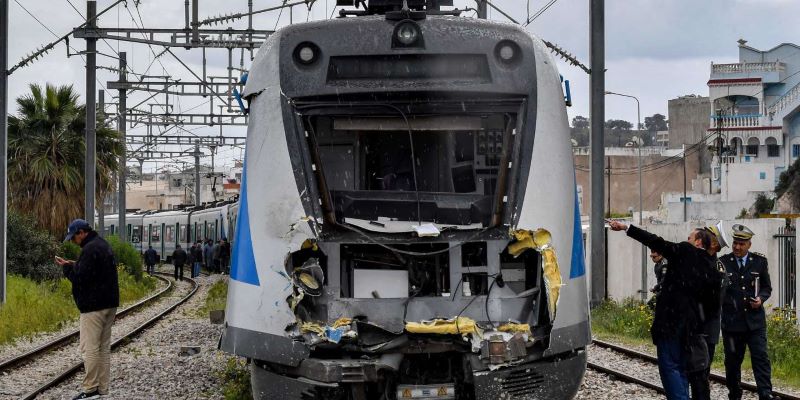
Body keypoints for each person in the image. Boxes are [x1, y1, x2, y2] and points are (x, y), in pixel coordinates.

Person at [609, 221, 717, 400]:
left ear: (698, 242)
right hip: (691, 329)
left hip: (671, 323)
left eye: (689, 237)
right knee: (681, 368)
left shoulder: (686, 250)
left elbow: (656, 242)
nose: (686, 240)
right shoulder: (710, 265)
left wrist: (626, 227)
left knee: (670, 368)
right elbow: (711, 303)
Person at [55, 219, 119, 400]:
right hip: (109, 304)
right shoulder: (102, 245)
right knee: (103, 348)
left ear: (82, 232)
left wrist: (67, 269)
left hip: (94, 307)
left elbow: (80, 278)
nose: (74, 241)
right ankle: (103, 389)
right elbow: (93, 271)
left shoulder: (89, 249)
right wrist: (74, 263)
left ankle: (90, 389)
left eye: (74, 237)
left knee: (89, 348)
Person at [720, 224, 774, 400]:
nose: (737, 247)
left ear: (749, 245)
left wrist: (761, 299)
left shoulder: (759, 262)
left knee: (761, 359)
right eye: (735, 243)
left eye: (742, 244)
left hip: (755, 323)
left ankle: (765, 393)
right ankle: (734, 393)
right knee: (733, 363)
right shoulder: (724, 263)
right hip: (732, 323)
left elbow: (767, 287)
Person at [688, 224, 728, 400]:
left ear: (713, 245)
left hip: (705, 329)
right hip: (692, 328)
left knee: (701, 374)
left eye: (709, 236)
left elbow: (713, 303)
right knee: (689, 373)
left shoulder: (717, 268)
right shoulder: (694, 261)